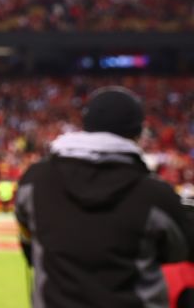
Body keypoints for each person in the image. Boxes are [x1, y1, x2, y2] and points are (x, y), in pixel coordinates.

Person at [16, 86, 194, 308]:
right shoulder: (155, 196)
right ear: (137, 133)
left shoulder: (35, 181)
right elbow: (180, 252)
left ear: (86, 125)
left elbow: (29, 245)